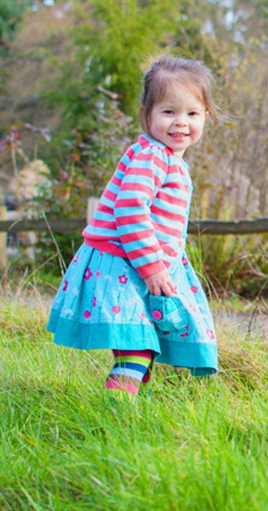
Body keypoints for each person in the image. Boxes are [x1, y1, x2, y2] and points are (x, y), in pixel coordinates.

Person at [47, 54, 219, 398]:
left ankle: (132, 412)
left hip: (136, 264)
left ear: (206, 117)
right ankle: (116, 414)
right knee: (137, 345)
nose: (181, 122)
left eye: (192, 113)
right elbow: (129, 209)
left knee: (143, 344)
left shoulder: (167, 158)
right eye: (169, 112)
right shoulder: (152, 155)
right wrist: (154, 266)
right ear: (147, 114)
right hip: (124, 265)